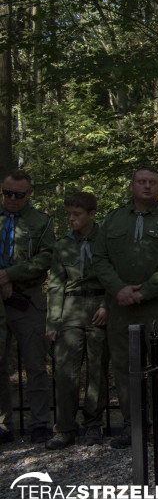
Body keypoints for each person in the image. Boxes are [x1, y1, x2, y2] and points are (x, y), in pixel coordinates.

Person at [93, 165, 158, 447]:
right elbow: (99, 258)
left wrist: (144, 292)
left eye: (153, 182)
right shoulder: (113, 219)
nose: (147, 186)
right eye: (141, 182)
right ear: (132, 185)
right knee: (124, 367)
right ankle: (132, 426)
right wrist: (118, 290)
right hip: (120, 306)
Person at [44, 192, 108, 449]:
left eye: (76, 214)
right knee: (65, 371)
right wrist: (52, 322)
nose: (71, 218)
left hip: (98, 308)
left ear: (91, 215)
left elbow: (114, 275)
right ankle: (64, 428)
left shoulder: (106, 240)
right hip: (71, 309)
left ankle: (93, 424)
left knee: (97, 371)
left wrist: (106, 306)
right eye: (68, 214)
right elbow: (57, 284)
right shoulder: (62, 245)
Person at [0, 169, 55, 443]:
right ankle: (2, 424)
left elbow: (46, 257)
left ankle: (40, 423)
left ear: (29, 194)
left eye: (18, 195)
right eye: (7, 193)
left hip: (28, 300)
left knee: (35, 363)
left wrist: (12, 274)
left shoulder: (41, 222)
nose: (11, 199)